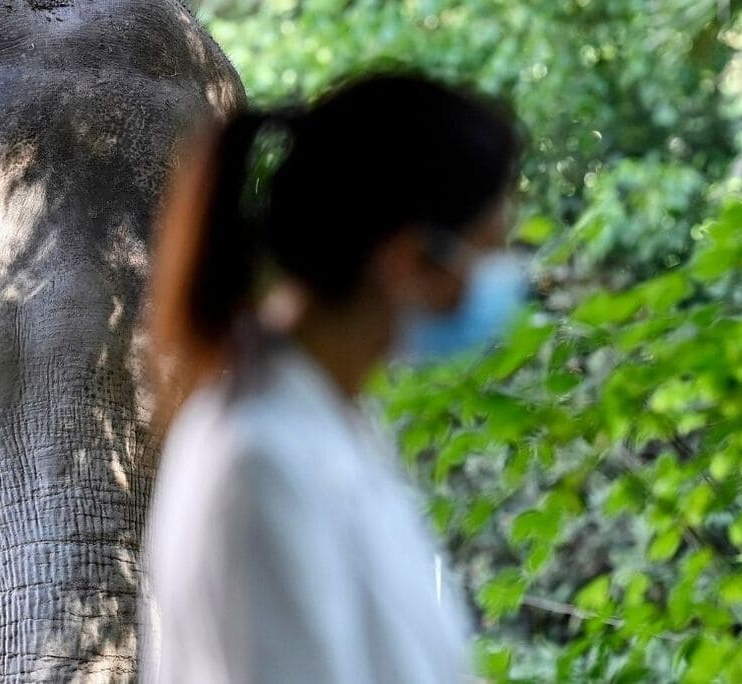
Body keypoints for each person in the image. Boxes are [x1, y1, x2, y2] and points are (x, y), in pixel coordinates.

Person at [141, 72, 525, 683]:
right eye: (492, 251)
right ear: (409, 261)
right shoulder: (260, 462)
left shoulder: (331, 428)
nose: (505, 282)